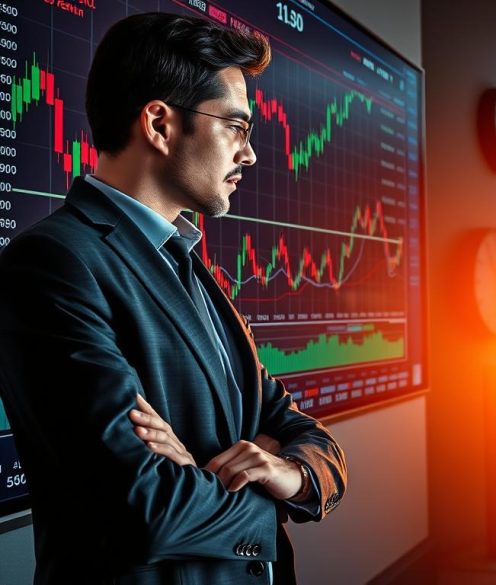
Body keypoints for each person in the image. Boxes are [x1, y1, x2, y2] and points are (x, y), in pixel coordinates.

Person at [0, 12, 346, 585]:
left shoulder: (193, 268)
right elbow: (148, 510)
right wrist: (266, 493)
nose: (251, 154)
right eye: (236, 126)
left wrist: (285, 472)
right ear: (159, 124)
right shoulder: (52, 267)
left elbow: (304, 433)